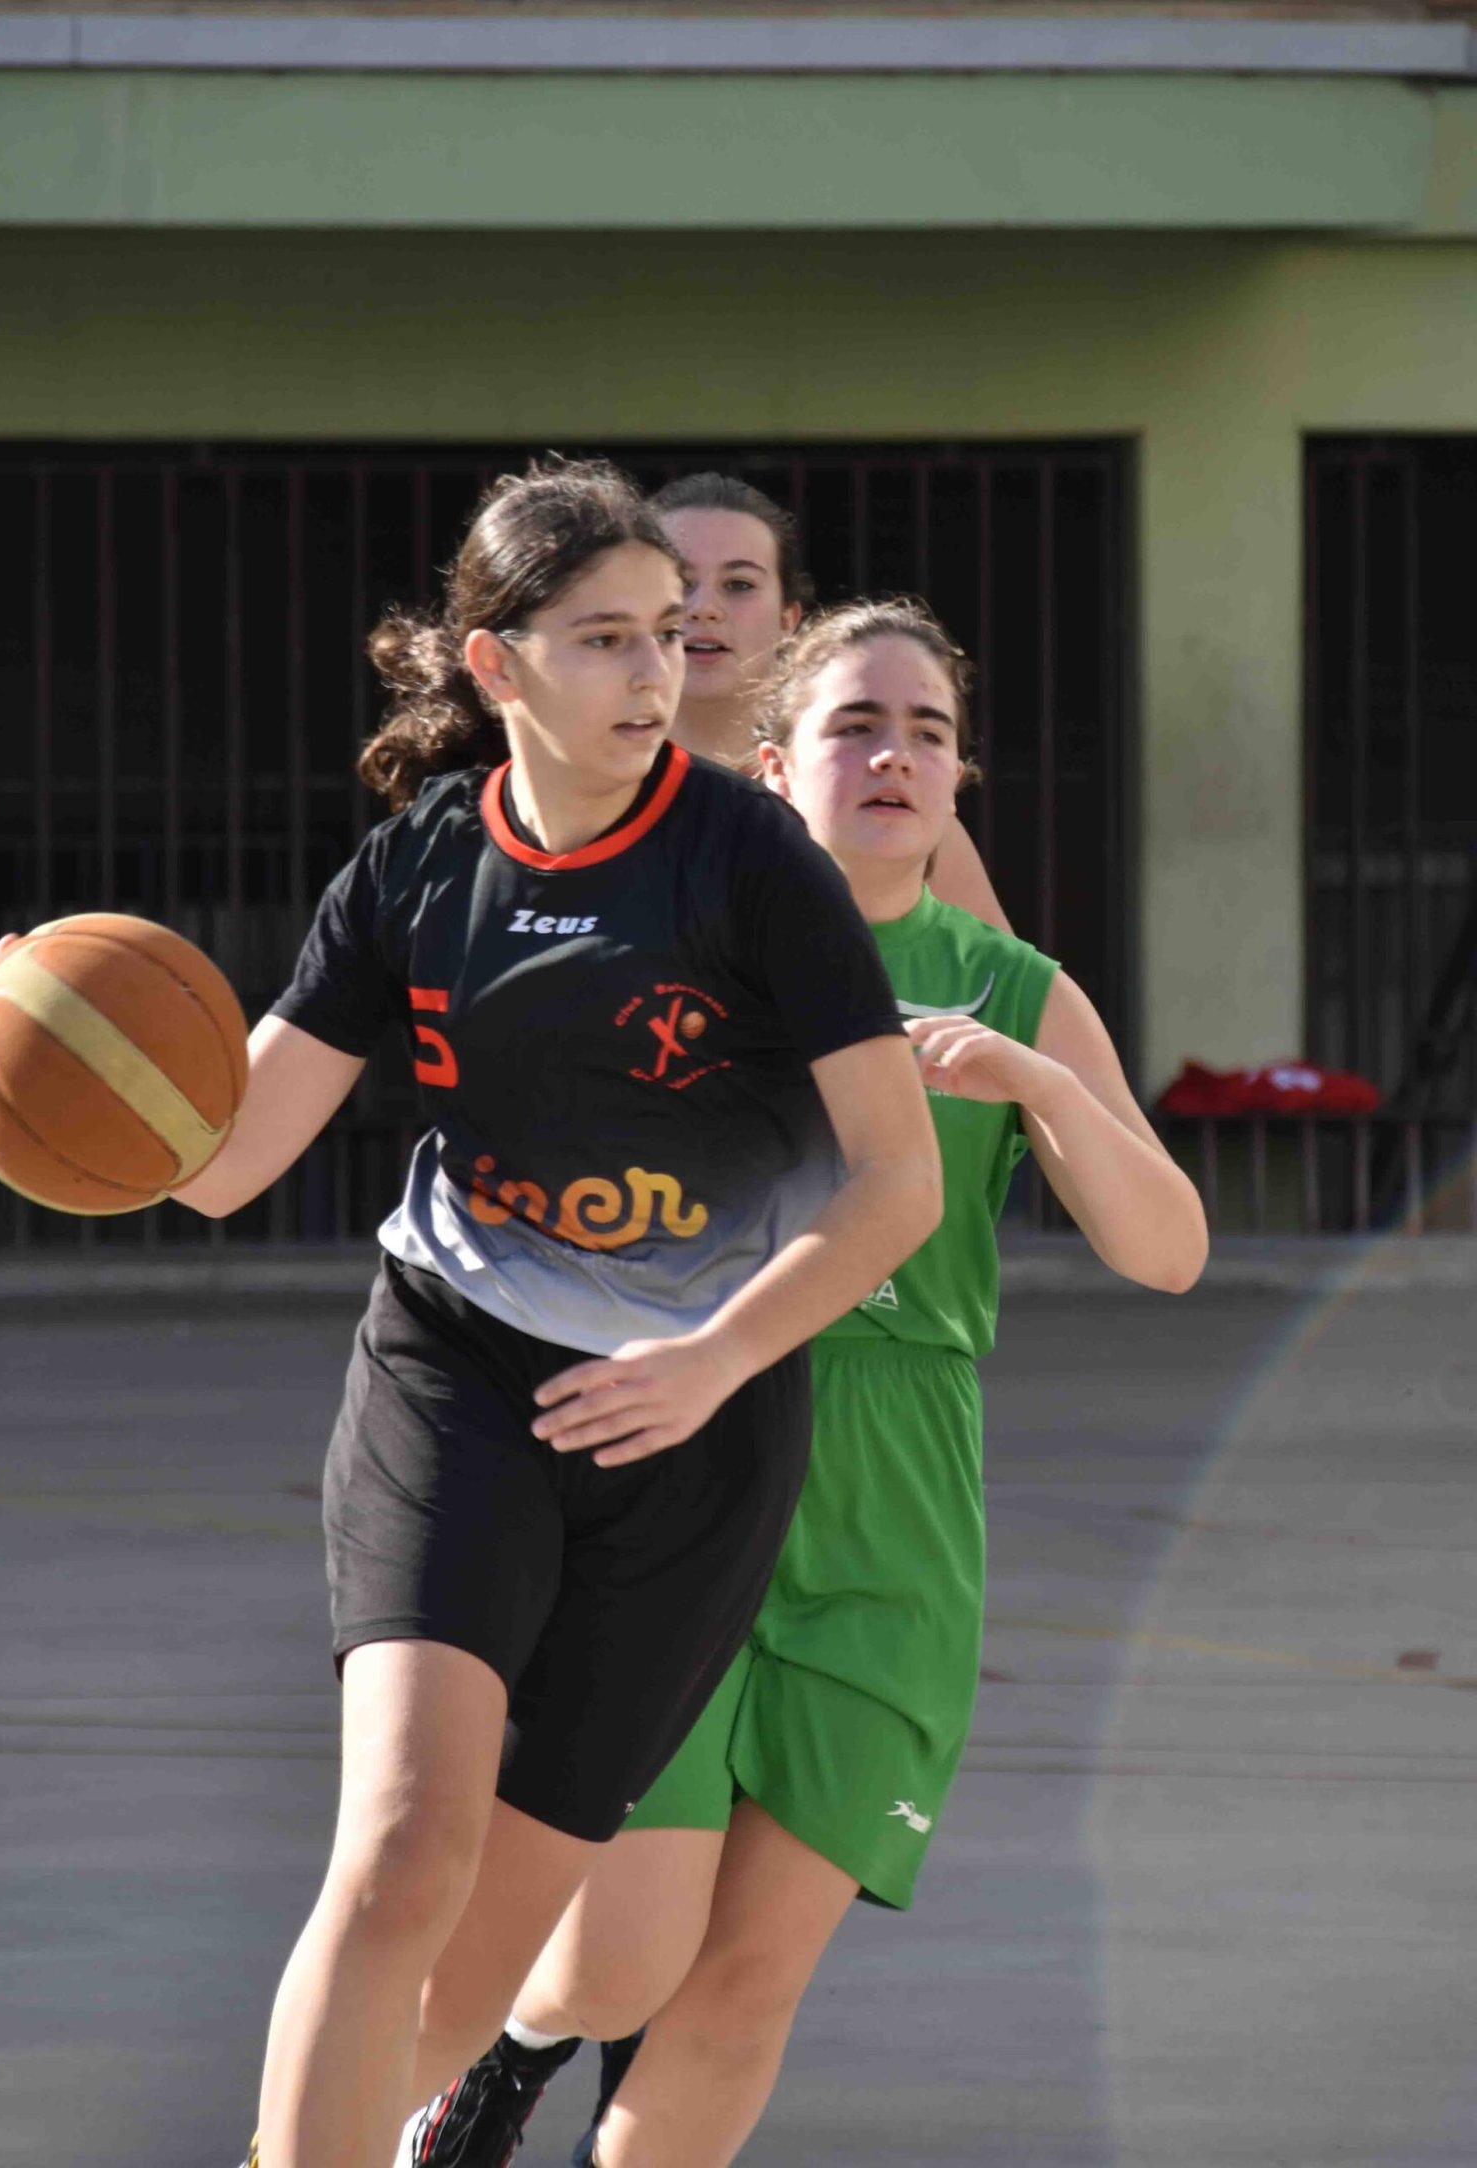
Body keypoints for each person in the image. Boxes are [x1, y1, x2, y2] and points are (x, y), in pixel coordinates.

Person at [0, 462, 945, 2168]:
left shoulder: (747, 857)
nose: (652, 671)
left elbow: (895, 1183)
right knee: (400, 1844)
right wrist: (3, 1062)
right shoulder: (409, 873)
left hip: (696, 1429)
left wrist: (710, 1358)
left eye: (670, 636)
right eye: (605, 637)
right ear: (496, 664)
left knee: (471, 1982)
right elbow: (221, 1160)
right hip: (458, 1366)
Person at [402, 598, 1208, 2168]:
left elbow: (1169, 1249)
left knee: (747, 1987)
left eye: (929, 733)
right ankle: (494, 2053)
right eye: (855, 725)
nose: (895, 756)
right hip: (689, 1461)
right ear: (772, 768)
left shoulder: (1014, 988)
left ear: (961, 780)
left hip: (894, 1513)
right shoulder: (677, 954)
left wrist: (1036, 1083)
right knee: (623, 1957)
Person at [651, 471, 1013, 931]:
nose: (703, 608)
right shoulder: (575, 791)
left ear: (789, 618)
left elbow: (999, 989)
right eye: (680, 582)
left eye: (739, 585)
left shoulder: (895, 806)